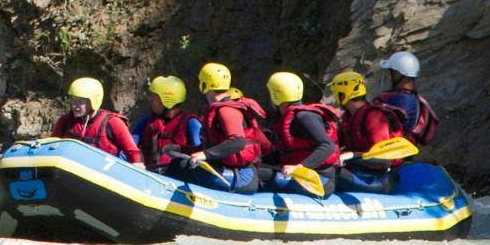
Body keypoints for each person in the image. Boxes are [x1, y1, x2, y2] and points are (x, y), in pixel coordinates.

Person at [184, 62, 268, 192]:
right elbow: (215, 147)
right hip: (229, 169)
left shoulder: (227, 110)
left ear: (205, 85)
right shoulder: (220, 109)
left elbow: (238, 142)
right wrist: (182, 149)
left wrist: (205, 154)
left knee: (183, 167)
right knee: (179, 162)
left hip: (243, 175)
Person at [263, 71, 343, 192]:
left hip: (320, 179)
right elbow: (285, 153)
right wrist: (259, 159)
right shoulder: (291, 117)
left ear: (276, 95)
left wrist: (299, 167)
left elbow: (327, 146)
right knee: (260, 171)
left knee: (260, 176)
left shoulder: (304, 117)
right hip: (301, 174)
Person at [328, 70, 402, 193]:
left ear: (343, 95)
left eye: (336, 94)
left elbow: (383, 158)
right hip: (360, 172)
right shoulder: (348, 117)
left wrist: (351, 156)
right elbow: (335, 144)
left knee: (331, 175)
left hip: (379, 179)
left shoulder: (374, 117)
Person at [52, 77, 140, 165]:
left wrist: (137, 163)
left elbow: (133, 153)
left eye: (80, 101)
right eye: (74, 100)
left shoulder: (113, 122)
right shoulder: (65, 120)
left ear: (93, 102)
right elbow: (52, 144)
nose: (75, 105)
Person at [131, 76, 201, 173]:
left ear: (167, 100)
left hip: (176, 177)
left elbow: (200, 153)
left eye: (154, 96)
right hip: (147, 173)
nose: (150, 100)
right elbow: (129, 147)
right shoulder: (145, 121)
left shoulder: (191, 123)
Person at [373, 51, 439, 146]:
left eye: (392, 72)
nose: (390, 76)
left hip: (393, 150)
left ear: (399, 75)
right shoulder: (412, 98)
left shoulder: (400, 100)